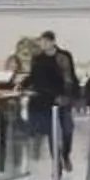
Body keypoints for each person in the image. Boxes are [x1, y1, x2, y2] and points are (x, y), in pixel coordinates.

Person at [21, 30, 77, 171]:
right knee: (52, 132)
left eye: (45, 41)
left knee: (67, 129)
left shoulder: (63, 57)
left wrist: (67, 95)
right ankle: (56, 163)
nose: (43, 44)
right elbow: (33, 76)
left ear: (52, 42)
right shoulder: (38, 59)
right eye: (41, 42)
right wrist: (21, 85)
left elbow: (69, 77)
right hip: (45, 100)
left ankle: (65, 154)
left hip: (62, 98)